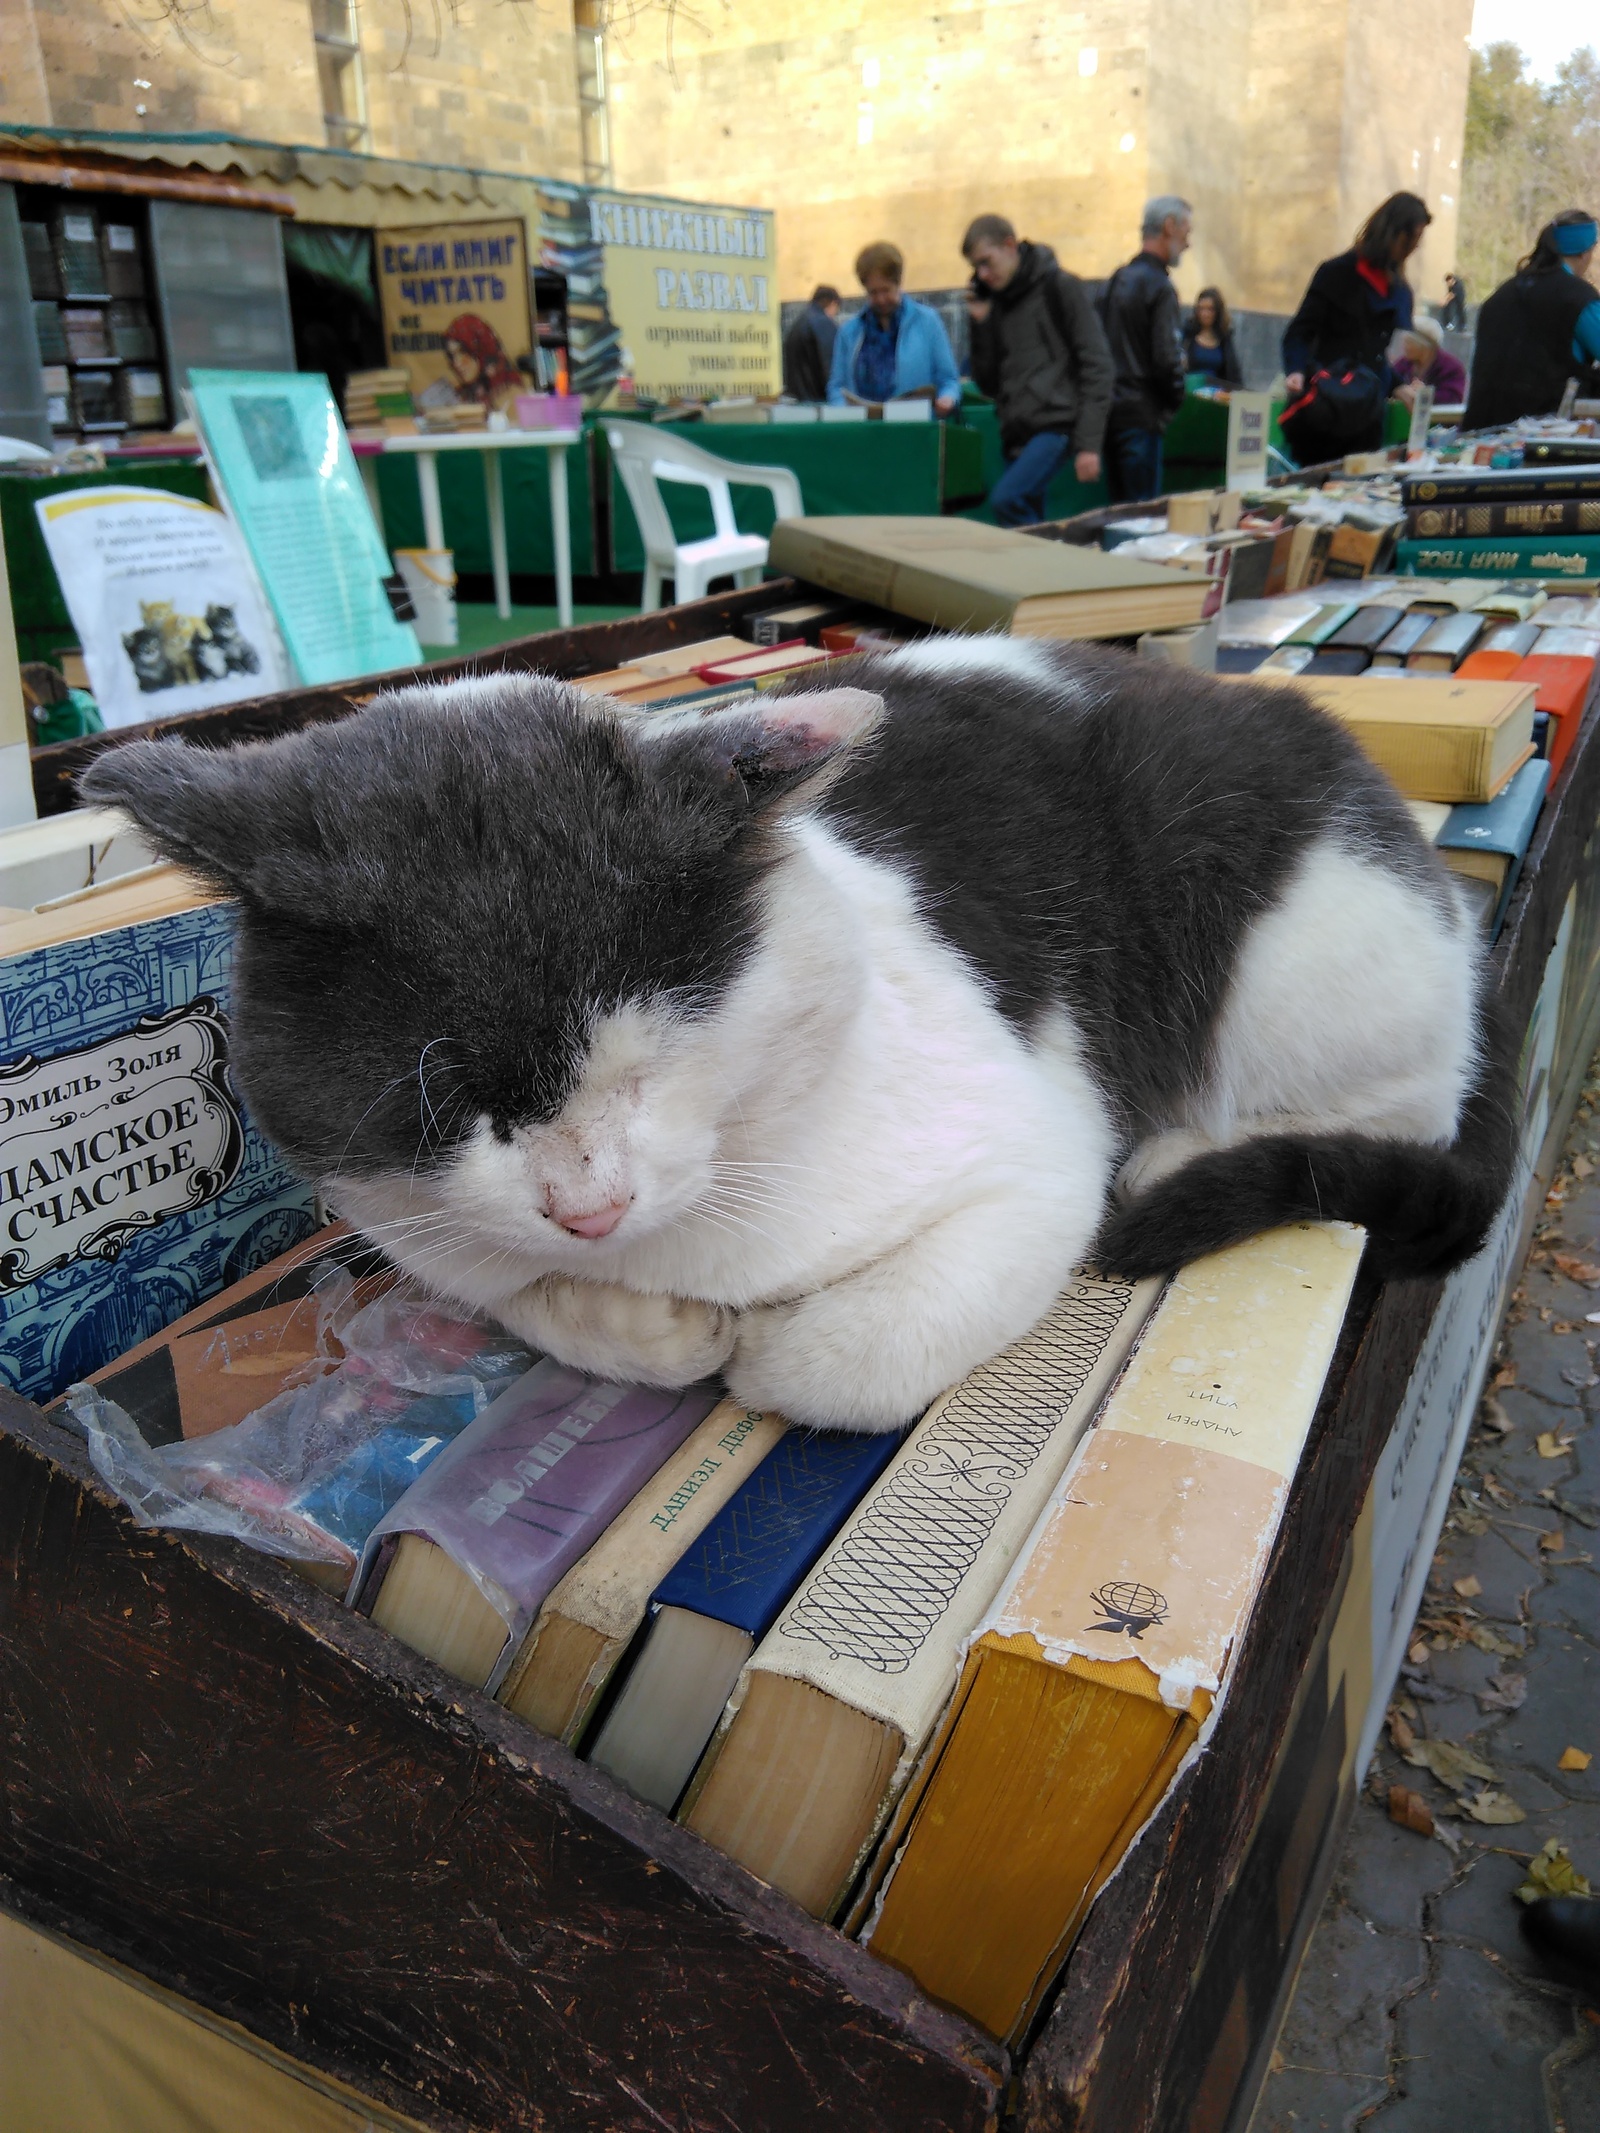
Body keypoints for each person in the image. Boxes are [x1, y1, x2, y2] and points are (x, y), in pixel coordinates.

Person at [961, 213, 1113, 527]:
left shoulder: (1061, 287)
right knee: (1022, 529)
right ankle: (1044, 567)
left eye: (987, 262)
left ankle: (1054, 558)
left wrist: (1088, 445)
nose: (983, 274)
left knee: (1008, 500)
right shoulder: (997, 304)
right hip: (1016, 432)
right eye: (976, 267)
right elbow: (988, 383)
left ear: (1010, 245)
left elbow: (1097, 364)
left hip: (1056, 426)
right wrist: (981, 324)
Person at [1279, 191, 1431, 460]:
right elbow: (1299, 333)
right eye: (1411, 240)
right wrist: (1296, 370)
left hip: (1368, 417)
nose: (1413, 249)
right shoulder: (1336, 273)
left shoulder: (1401, 292)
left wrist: (1400, 385)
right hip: (1327, 408)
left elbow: (1381, 356)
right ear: (1393, 233)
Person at [1463, 210, 1600, 432]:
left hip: (1480, 434)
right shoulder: (1580, 300)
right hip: (1542, 436)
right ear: (1585, 252)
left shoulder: (1499, 297)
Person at [1098, 197, 1192, 502]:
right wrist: (1174, 400)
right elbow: (1167, 359)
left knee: (1118, 516)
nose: (1188, 243)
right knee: (1141, 520)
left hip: (1110, 414)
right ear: (1169, 226)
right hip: (1142, 415)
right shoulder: (1160, 287)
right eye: (1186, 232)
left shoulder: (1116, 281)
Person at [826, 243, 961, 412]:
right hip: (863, 432)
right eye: (873, 293)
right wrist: (842, 411)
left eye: (886, 290)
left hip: (915, 430)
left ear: (898, 284)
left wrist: (947, 398)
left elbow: (949, 380)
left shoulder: (928, 322)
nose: (881, 299)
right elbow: (837, 387)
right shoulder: (848, 332)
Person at [1390, 313, 1468, 406]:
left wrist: (1425, 394)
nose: (1404, 347)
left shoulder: (1451, 367)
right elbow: (1389, 383)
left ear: (1423, 346)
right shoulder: (1404, 363)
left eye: (1408, 343)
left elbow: (1454, 398)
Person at [782, 285, 841, 402]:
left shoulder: (797, 323)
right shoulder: (823, 323)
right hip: (818, 402)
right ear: (833, 304)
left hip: (799, 401)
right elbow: (830, 368)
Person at [1182, 286, 1244, 386]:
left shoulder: (1224, 339)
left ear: (1217, 312)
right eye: (1201, 309)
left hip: (1217, 394)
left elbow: (1233, 373)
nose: (1205, 314)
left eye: (1210, 309)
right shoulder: (1187, 335)